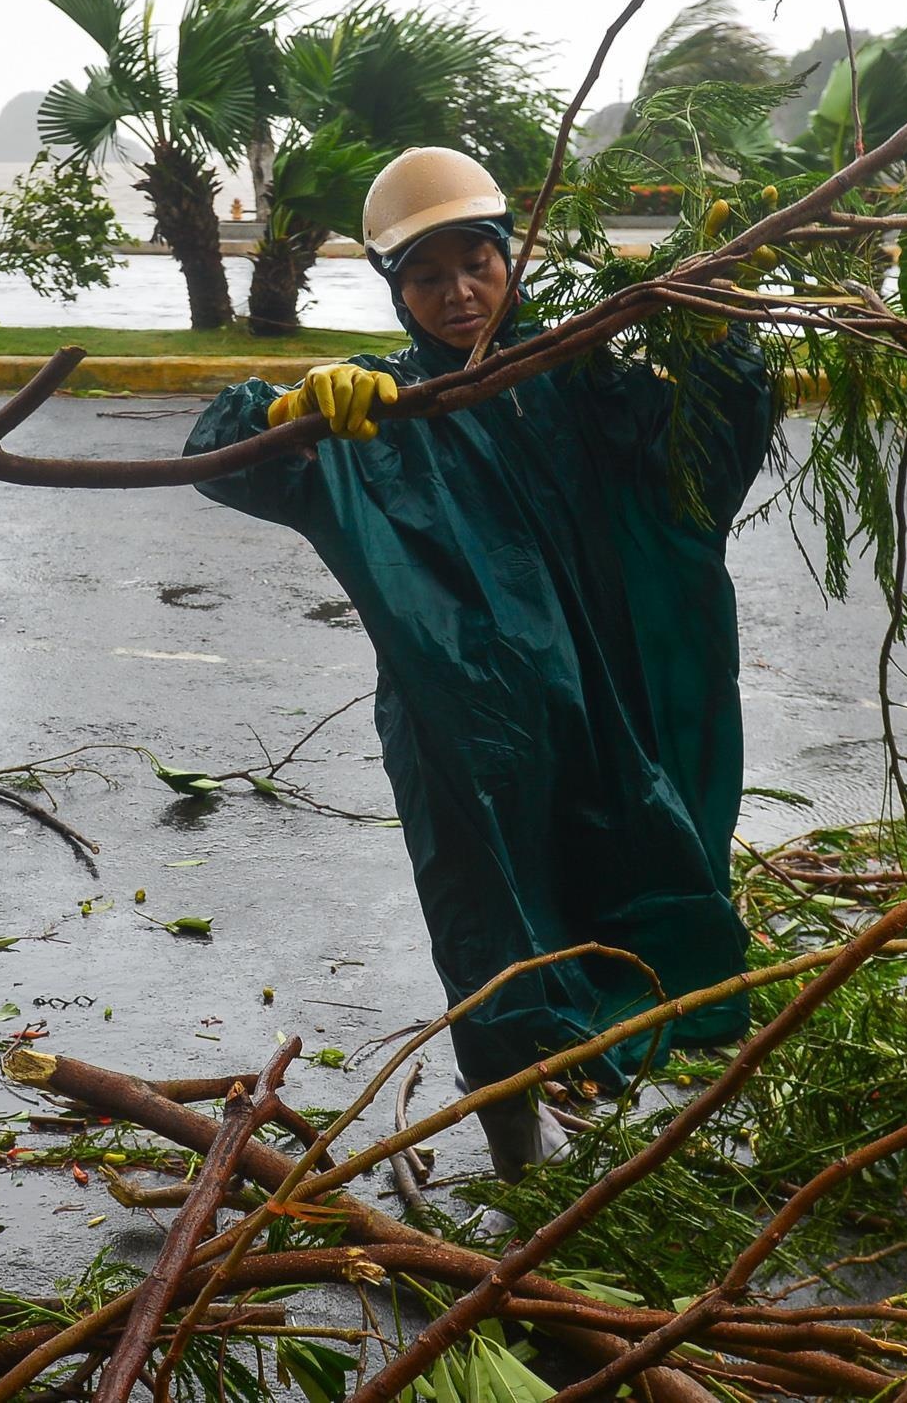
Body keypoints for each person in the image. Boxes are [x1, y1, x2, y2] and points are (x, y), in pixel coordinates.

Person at [184, 147, 777, 1180]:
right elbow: (225, 456)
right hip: (465, 721)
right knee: (487, 923)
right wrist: (286, 412)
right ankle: (513, 1147)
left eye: (476, 263)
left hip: (609, 700)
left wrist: (717, 325)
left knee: (636, 872)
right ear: (393, 289)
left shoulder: (577, 378)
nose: (456, 293)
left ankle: (621, 1077)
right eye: (424, 275)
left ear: (509, 259)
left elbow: (699, 450)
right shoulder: (380, 415)